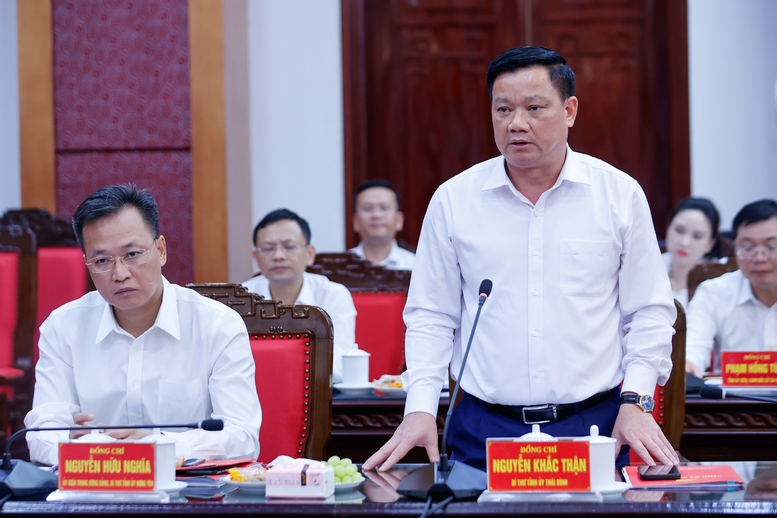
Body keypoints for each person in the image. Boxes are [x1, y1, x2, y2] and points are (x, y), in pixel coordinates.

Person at [363, 45, 679, 473]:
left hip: (593, 424)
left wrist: (636, 401)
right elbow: (431, 316)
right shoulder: (454, 200)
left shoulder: (618, 195)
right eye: (503, 109)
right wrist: (420, 408)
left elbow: (648, 312)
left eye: (534, 108)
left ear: (569, 110)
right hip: (483, 428)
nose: (516, 123)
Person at [25, 184, 261, 466]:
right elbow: (41, 434)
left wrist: (155, 445)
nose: (120, 274)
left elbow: (242, 437)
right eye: (102, 260)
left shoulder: (217, 326)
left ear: (160, 250)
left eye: (132, 254)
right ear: (87, 263)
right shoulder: (63, 328)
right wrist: (73, 444)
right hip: (94, 483)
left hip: (188, 487)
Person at [243, 208, 357, 383]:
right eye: (268, 248)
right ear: (256, 258)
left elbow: (339, 364)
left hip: (318, 392)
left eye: (289, 247)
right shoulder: (242, 298)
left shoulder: (333, 295)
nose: (278, 256)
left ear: (310, 254)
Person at [685, 199, 777, 377]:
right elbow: (692, 350)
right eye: (748, 248)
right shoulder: (713, 293)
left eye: (771, 247)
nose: (759, 258)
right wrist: (688, 365)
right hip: (731, 395)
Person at [663, 197, 721, 308]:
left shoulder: (718, 282)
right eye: (679, 230)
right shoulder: (648, 266)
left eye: (697, 236)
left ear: (710, 244)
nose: (685, 242)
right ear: (668, 228)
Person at [349, 179, 415, 270]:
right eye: (367, 208)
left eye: (384, 208)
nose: (376, 215)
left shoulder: (415, 266)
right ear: (355, 221)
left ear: (399, 220)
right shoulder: (341, 267)